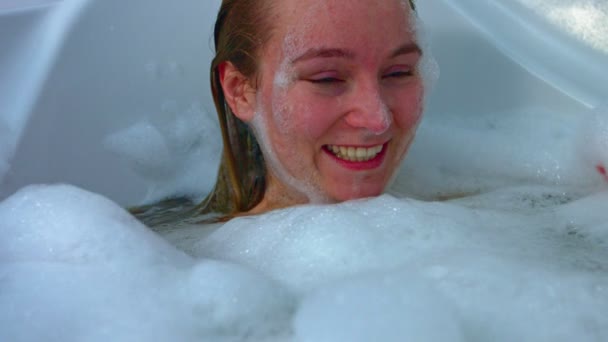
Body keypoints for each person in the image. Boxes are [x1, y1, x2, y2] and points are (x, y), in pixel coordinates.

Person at [187, 0, 427, 222]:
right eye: (327, 79)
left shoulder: (454, 217)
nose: (378, 119)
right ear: (240, 91)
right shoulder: (188, 259)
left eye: (399, 72)